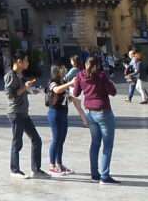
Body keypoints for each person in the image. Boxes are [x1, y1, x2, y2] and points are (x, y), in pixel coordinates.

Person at [74, 56, 118, 184]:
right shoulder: (101, 76)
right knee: (107, 145)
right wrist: (109, 83)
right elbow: (113, 92)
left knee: (95, 143)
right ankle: (105, 176)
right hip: (103, 112)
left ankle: (94, 174)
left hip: (89, 113)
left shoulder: (80, 75)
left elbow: (76, 93)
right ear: (96, 65)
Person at [5, 50, 47, 179]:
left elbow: (22, 91)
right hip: (16, 113)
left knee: (36, 140)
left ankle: (36, 170)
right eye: (26, 60)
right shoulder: (10, 75)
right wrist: (25, 87)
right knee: (17, 142)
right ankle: (14, 170)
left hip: (23, 113)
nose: (28, 63)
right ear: (19, 61)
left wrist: (32, 90)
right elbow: (10, 95)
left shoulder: (20, 75)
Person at [46, 65, 76, 175]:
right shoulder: (52, 82)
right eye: (62, 68)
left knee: (61, 139)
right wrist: (70, 83)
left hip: (63, 112)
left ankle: (59, 164)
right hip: (55, 113)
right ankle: (52, 166)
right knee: (56, 138)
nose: (64, 70)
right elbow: (57, 90)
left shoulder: (63, 81)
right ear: (56, 71)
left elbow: (67, 96)